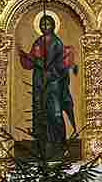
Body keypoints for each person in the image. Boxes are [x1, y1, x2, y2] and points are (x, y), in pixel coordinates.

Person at [17, 14, 78, 151]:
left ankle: (60, 142)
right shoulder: (38, 42)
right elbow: (31, 61)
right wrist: (25, 56)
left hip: (53, 82)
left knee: (55, 112)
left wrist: (51, 71)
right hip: (39, 80)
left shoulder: (57, 43)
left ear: (53, 26)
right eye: (43, 24)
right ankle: (43, 143)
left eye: (48, 24)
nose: (45, 27)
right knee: (40, 111)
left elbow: (60, 64)